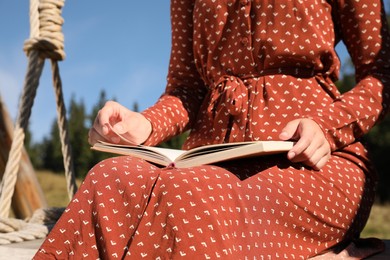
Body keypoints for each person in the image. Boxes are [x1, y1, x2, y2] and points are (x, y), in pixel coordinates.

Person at [34, 0, 390, 259]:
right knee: (111, 178)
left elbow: (381, 74)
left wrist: (327, 127)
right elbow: (186, 90)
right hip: (207, 157)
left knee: (193, 200)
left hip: (312, 158)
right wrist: (143, 124)